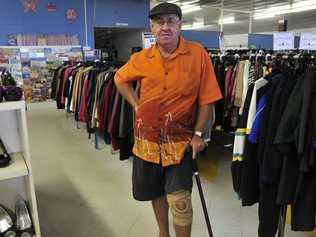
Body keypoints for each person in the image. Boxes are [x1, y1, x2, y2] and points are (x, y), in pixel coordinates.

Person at [114, 2, 222, 237]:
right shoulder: (141, 58)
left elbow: (208, 99)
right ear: (151, 28)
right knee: (156, 193)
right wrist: (136, 104)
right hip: (147, 144)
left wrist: (199, 134)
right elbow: (120, 79)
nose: (165, 27)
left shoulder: (198, 55)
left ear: (180, 25)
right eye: (159, 22)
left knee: (180, 200)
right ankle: (163, 233)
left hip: (180, 143)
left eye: (171, 21)